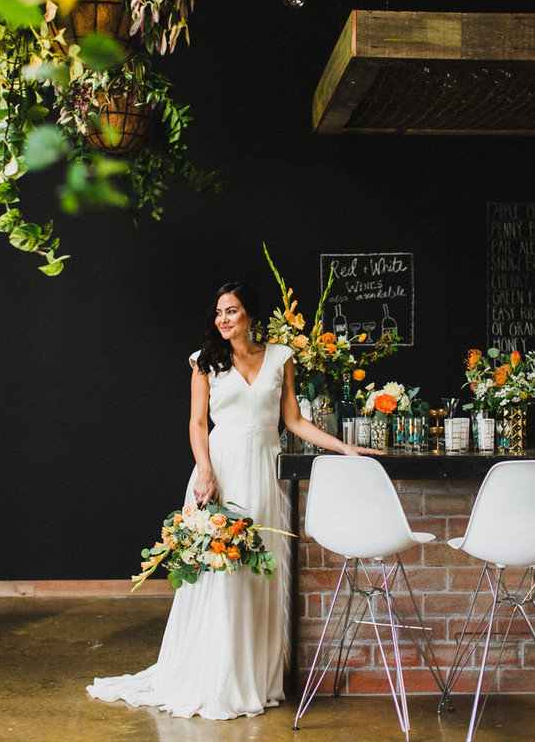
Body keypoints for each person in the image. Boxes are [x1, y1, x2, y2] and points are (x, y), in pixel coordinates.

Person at [86, 281, 382, 720]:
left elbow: (294, 420)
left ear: (250, 316)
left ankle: (253, 679)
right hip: (220, 470)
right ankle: (214, 676)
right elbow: (197, 424)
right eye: (219, 312)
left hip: (264, 469)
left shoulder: (280, 357)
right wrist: (204, 470)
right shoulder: (204, 362)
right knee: (220, 571)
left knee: (257, 571)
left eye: (233, 311)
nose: (224, 319)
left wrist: (345, 448)